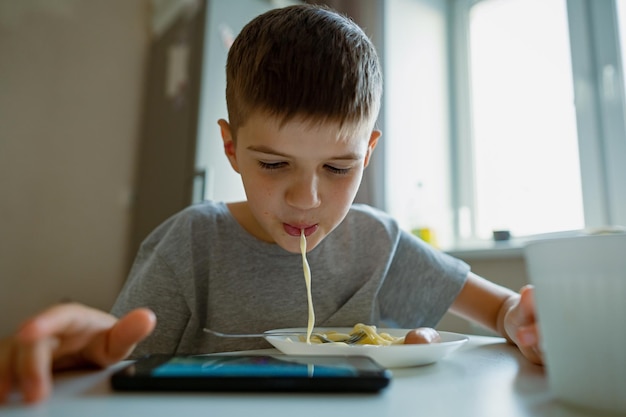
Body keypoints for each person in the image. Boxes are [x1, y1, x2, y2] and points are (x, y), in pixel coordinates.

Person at [0, 4, 542, 404]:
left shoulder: (379, 244)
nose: (306, 200)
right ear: (232, 149)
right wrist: (88, 350)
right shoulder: (192, 245)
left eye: (337, 168)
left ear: (368, 152)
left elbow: (498, 309)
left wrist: (521, 316)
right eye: (274, 164)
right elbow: (119, 360)